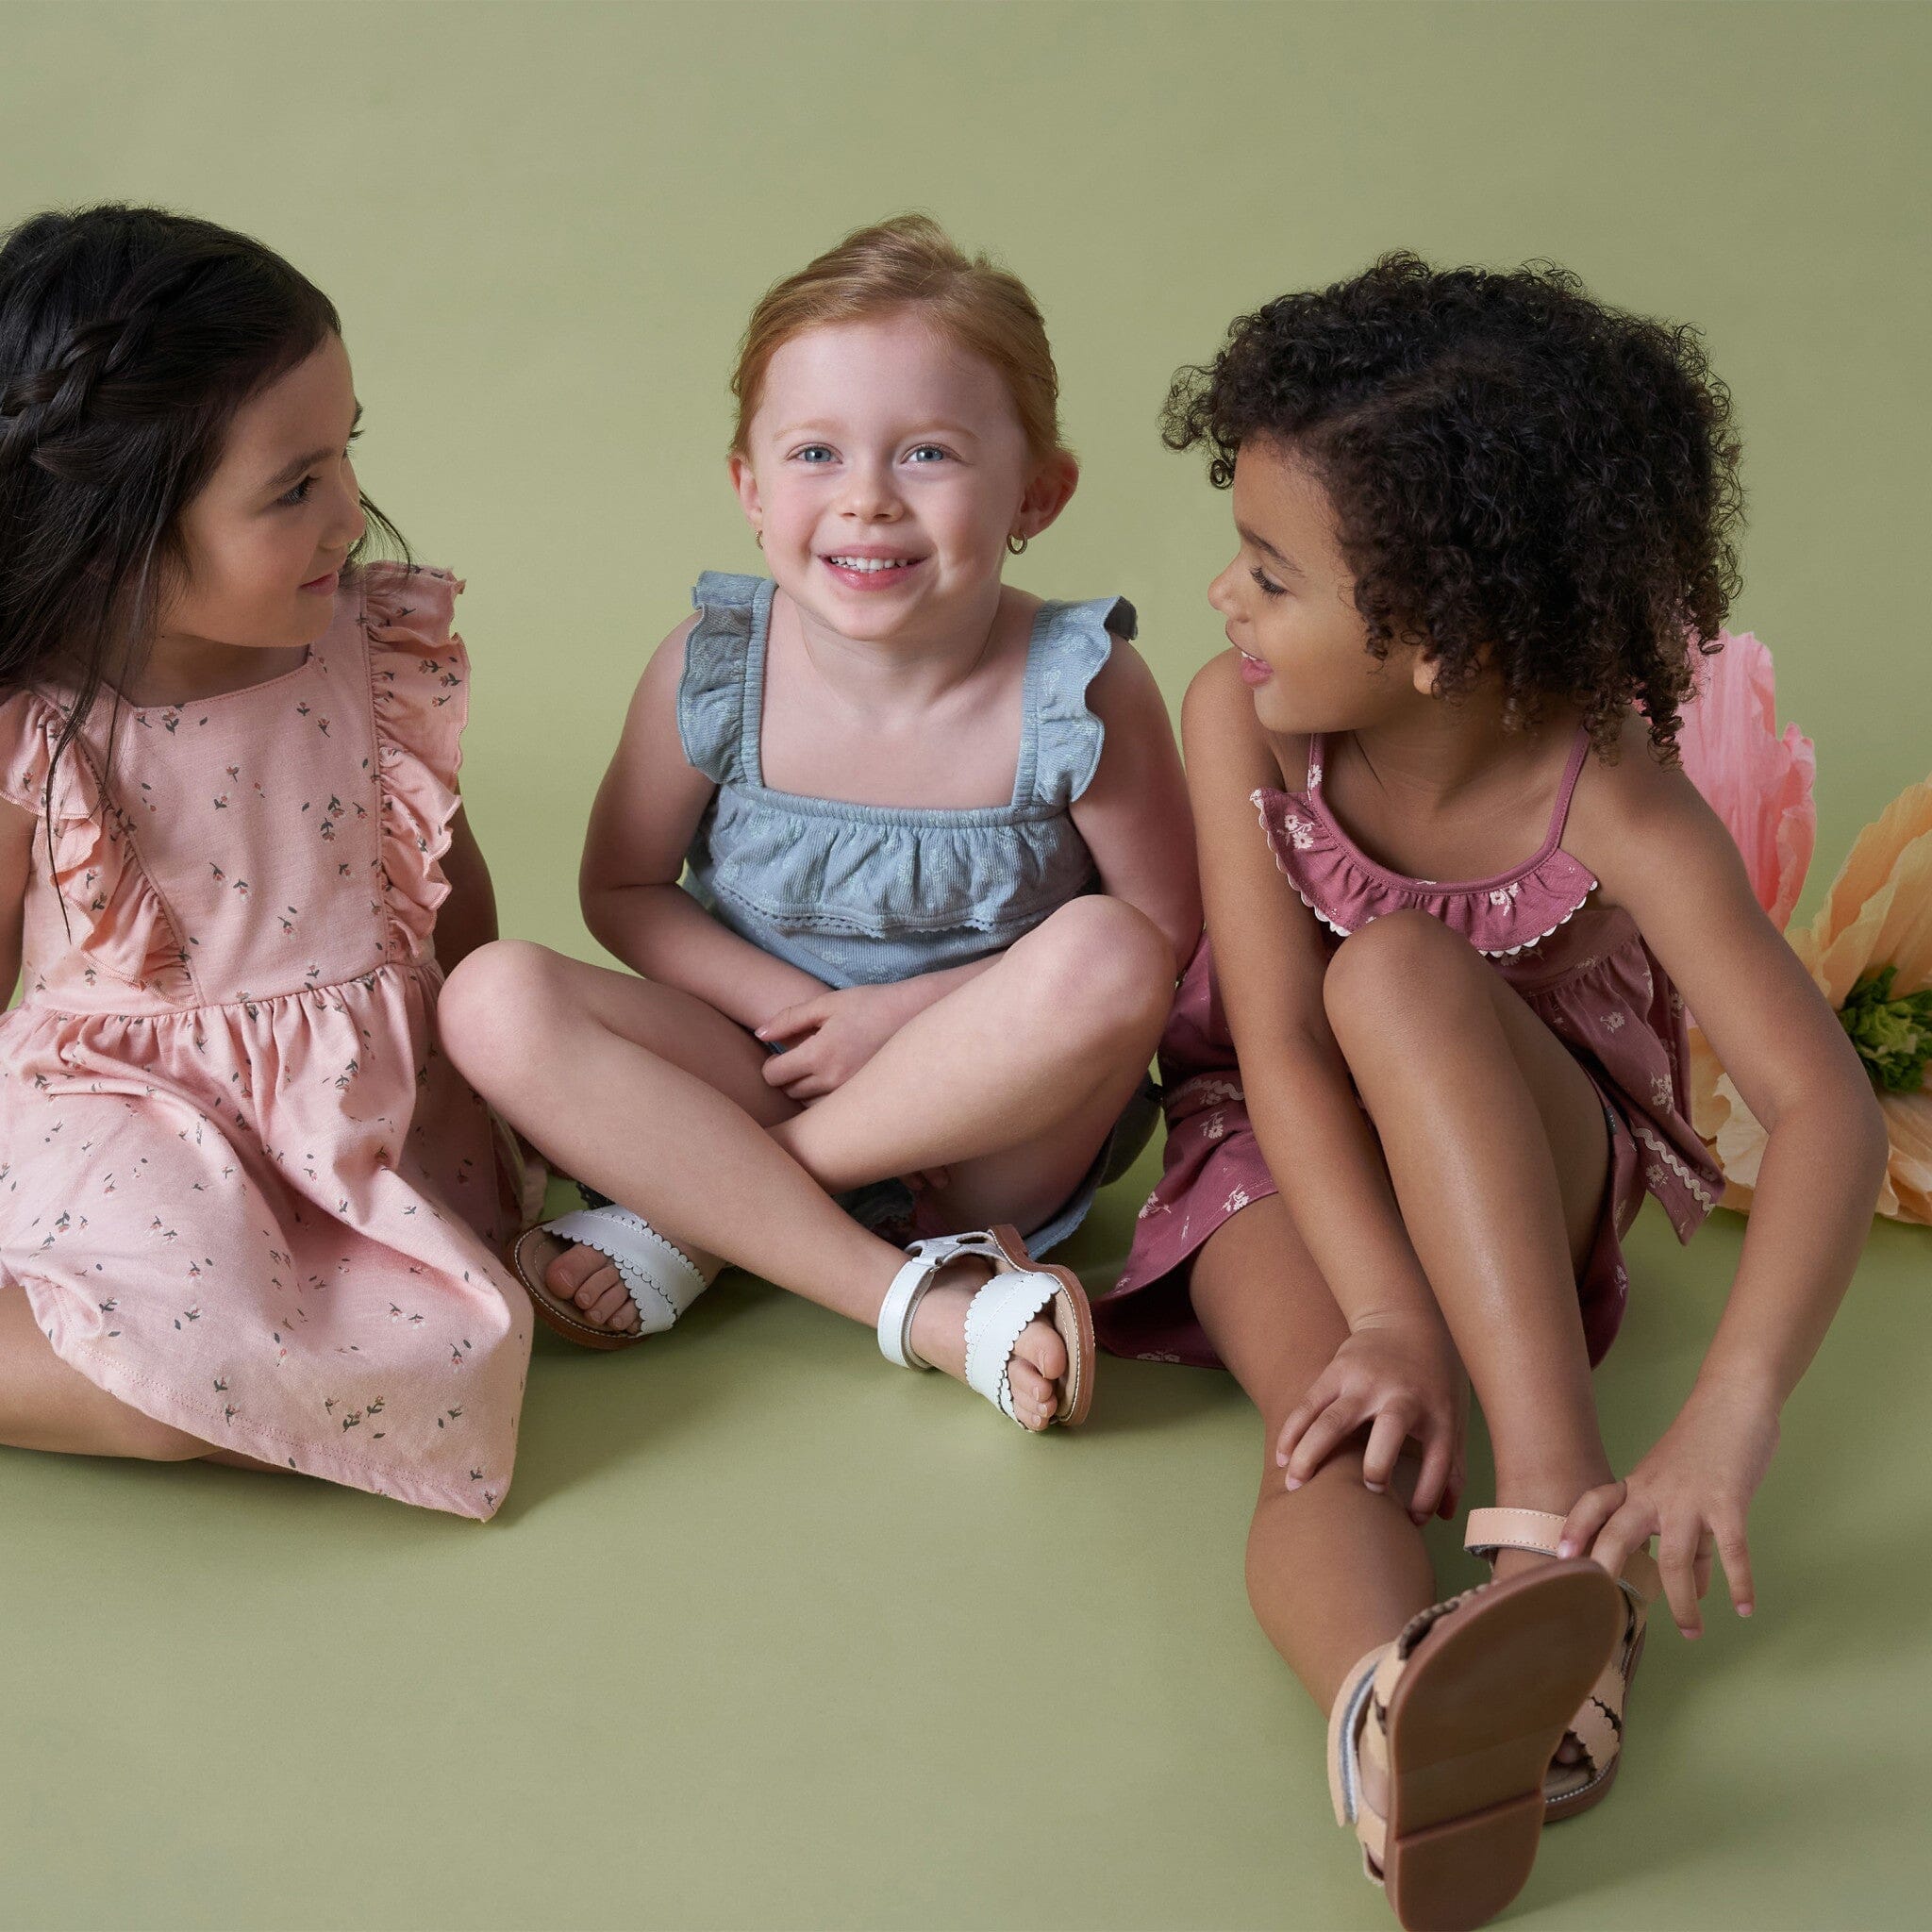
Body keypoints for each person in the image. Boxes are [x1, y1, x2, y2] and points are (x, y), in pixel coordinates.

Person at [1095, 255, 1887, 1928]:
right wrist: (1381, 1313)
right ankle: (1395, 1712)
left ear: (1443, 641)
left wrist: (1729, 1411)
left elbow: (1826, 1110)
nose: (1225, 602)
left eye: (1269, 573)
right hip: (1283, 1146)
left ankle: (1549, 1542)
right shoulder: (1242, 720)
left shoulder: (1611, 797)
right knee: (1326, 1425)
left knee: (1389, 966)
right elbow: (1273, 1048)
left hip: (1523, 1148)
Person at [439, 215, 1197, 1432]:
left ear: (1037, 494)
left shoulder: (1078, 684)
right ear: (747, 485)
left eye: (931, 453)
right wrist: (795, 1020)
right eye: (813, 454)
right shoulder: (713, 663)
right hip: (759, 1065)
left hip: (988, 1131)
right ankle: (919, 1305)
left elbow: (1160, 935)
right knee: (489, 994)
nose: (867, 502)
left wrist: (896, 1021)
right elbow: (624, 889)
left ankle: (707, 1214)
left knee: (1107, 954)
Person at [0, 207, 534, 1519]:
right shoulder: (42, 720)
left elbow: (441, 886)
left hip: (362, 1101)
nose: (351, 516)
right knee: (191, 1372)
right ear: (115, 535)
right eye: (293, 488)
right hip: (136, 1108)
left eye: (347, 454)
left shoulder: (370, 658)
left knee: (437, 1321)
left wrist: (508, 1086)